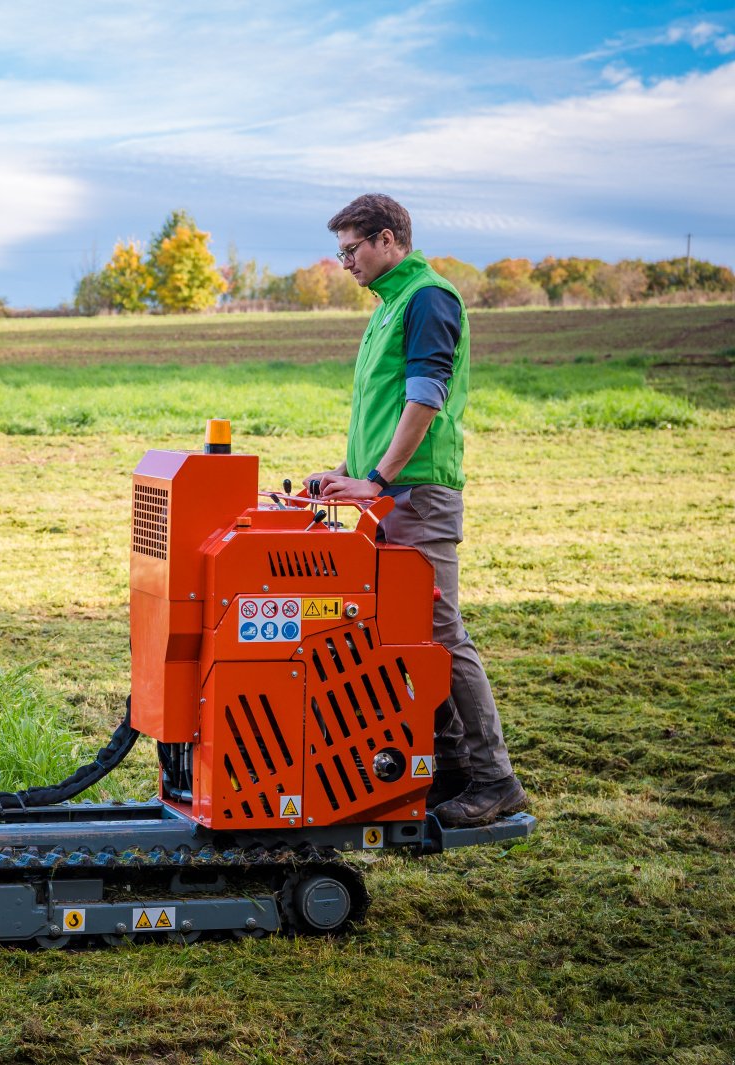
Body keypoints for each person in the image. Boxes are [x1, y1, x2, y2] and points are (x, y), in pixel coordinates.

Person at [304, 193, 527, 828]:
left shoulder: (429, 297)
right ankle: (451, 772)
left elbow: (425, 398)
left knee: (441, 634)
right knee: (405, 634)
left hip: (417, 494)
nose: (345, 263)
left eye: (352, 250)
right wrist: (346, 473)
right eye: (340, 251)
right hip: (386, 493)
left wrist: (377, 479)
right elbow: (381, 408)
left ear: (388, 240)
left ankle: (495, 780)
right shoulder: (389, 308)